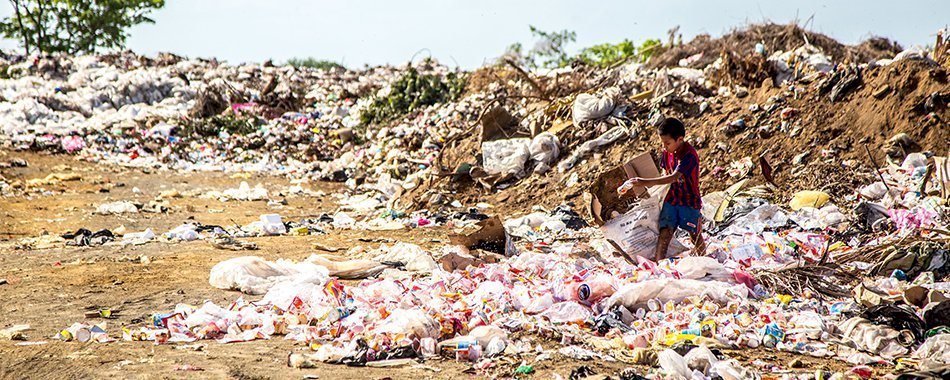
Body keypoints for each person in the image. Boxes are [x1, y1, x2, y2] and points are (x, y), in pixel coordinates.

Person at [617, 118, 705, 261]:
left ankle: (705, 262)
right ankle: (659, 265)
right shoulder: (667, 152)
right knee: (665, 232)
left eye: (667, 143)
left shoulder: (689, 156)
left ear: (680, 139)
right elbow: (665, 174)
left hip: (689, 200)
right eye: (662, 143)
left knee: (694, 233)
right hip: (671, 199)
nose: (664, 147)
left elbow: (673, 177)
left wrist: (642, 182)